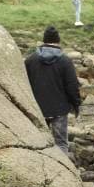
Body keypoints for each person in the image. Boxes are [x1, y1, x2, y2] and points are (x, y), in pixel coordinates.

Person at [24, 26, 81, 155]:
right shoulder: (66, 61)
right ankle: (63, 172)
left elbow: (24, 85)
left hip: (36, 110)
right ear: (58, 41)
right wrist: (76, 105)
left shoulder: (30, 60)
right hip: (59, 110)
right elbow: (72, 86)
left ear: (43, 41)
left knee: (36, 143)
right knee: (61, 143)